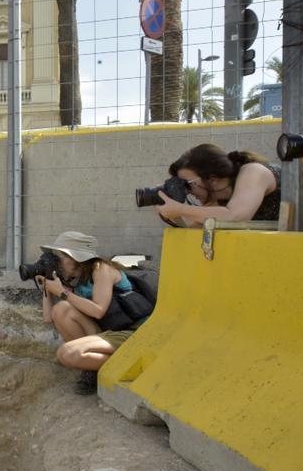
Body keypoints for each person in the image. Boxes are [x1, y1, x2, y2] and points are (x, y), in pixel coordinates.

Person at [35, 232, 150, 395]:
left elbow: (98, 311)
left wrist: (62, 293)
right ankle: (91, 368)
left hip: (131, 333)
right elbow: (49, 318)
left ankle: (128, 366)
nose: (56, 264)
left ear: (75, 258)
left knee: (67, 353)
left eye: (59, 258)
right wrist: (46, 285)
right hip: (108, 333)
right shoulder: (78, 280)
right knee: (61, 309)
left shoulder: (101, 269)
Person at [156, 144, 280, 226]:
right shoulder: (215, 197)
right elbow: (197, 229)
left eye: (188, 184)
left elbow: (236, 216)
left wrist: (180, 209)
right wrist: (172, 212)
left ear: (213, 179)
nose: (188, 191)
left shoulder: (253, 171)